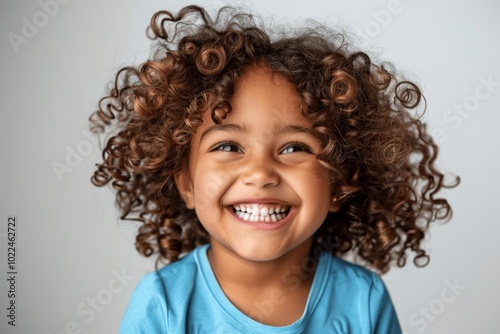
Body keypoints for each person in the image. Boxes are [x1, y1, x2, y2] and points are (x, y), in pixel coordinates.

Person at [90, 5, 458, 333]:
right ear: (185, 182)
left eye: (294, 147)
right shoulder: (164, 306)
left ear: (338, 182)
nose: (261, 172)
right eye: (228, 146)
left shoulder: (363, 301)